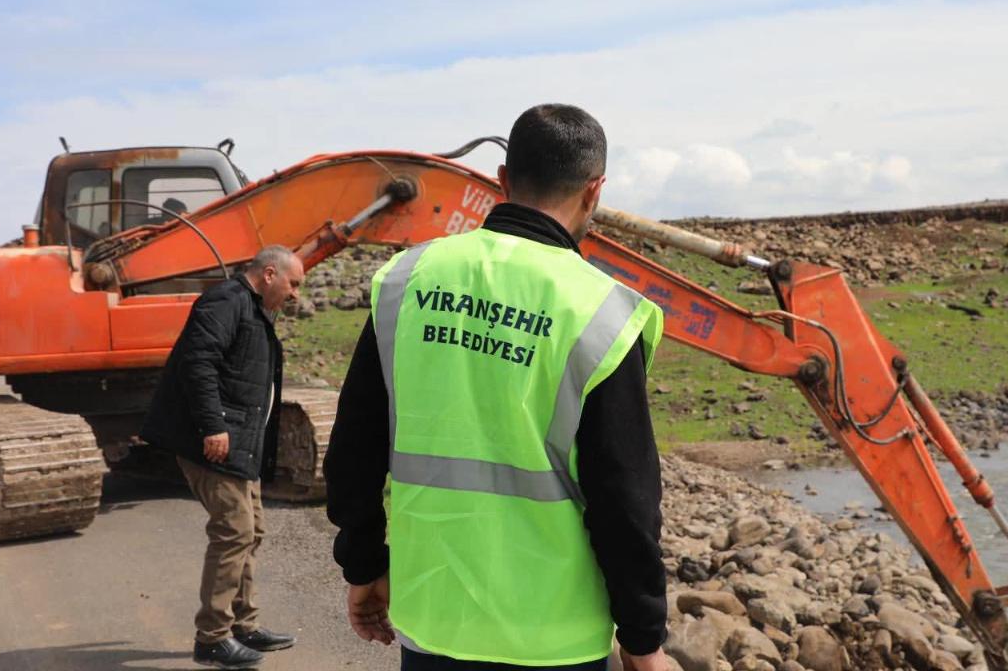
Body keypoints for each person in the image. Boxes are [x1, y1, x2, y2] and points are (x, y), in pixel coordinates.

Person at [324, 104, 671, 670]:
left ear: (503, 180)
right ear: (594, 191)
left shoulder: (407, 282)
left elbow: (353, 451)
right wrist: (642, 639)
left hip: (434, 621)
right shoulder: (602, 312)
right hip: (554, 640)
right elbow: (625, 503)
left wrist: (363, 565)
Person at [142, 245, 305, 669]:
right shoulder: (225, 301)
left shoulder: (254, 309)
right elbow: (198, 363)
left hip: (241, 444)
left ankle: (243, 625)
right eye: (293, 284)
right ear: (269, 274)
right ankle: (212, 637)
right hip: (216, 441)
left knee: (252, 531)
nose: (296, 295)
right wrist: (212, 425)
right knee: (234, 531)